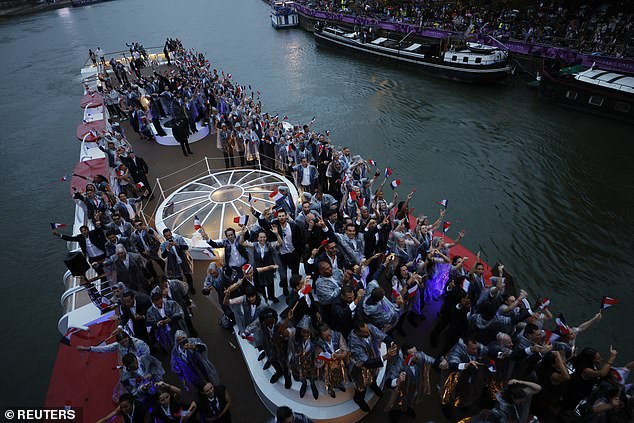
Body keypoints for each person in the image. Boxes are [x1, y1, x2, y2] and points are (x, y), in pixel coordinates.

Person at [386, 343, 448, 422]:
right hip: (401, 392)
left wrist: (440, 363)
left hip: (415, 387)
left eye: (416, 352)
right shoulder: (398, 364)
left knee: (412, 401)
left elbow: (431, 360)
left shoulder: (419, 356)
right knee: (398, 405)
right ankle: (395, 415)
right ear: (405, 356)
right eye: (413, 354)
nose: (416, 355)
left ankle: (408, 409)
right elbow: (388, 382)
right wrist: (397, 380)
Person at [348, 320, 398, 412]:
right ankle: (359, 399)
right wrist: (386, 356)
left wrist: (391, 342)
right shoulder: (353, 343)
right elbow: (366, 363)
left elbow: (379, 334)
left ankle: (373, 385)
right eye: (365, 332)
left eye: (368, 330)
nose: (369, 332)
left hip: (374, 359)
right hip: (360, 368)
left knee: (374, 375)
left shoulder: (368, 328)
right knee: (361, 387)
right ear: (358, 332)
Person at [239, 225, 281, 303]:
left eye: (264, 237)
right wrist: (242, 234)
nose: (262, 239)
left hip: (269, 269)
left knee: (270, 285)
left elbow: (279, 242)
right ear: (258, 238)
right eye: (261, 237)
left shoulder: (269, 244)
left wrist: (277, 234)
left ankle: (271, 297)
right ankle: (264, 299)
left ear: (266, 238)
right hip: (258, 270)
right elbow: (241, 242)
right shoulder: (254, 245)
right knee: (261, 286)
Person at [146, 287, 187, 353]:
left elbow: (180, 313)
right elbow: (149, 324)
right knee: (172, 349)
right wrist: (158, 324)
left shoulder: (171, 303)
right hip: (164, 333)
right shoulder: (150, 311)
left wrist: (170, 319)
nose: (159, 305)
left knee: (184, 345)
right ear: (153, 302)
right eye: (157, 304)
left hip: (176, 328)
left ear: (162, 298)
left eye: (160, 303)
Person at [315, 324, 349, 398]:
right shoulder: (318, 342)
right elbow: (318, 357)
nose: (329, 337)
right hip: (327, 364)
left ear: (330, 330)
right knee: (328, 377)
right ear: (321, 336)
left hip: (338, 361)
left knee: (339, 374)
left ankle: (339, 384)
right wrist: (325, 359)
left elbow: (345, 349)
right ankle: (330, 388)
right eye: (326, 337)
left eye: (329, 335)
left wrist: (340, 356)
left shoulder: (338, 335)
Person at [160, 229, 195, 294]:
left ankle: (191, 287)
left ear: (171, 234)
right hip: (174, 264)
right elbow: (163, 256)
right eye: (167, 236)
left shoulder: (178, 239)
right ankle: (183, 290)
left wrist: (177, 245)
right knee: (179, 278)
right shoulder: (163, 245)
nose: (169, 237)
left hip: (183, 261)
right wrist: (167, 248)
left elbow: (186, 247)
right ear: (164, 236)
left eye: (170, 235)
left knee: (188, 275)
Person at [77, 330, 150, 359]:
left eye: (125, 341)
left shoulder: (139, 343)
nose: (124, 344)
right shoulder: (117, 345)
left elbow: (147, 354)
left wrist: (137, 360)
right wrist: (87, 348)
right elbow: (103, 348)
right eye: (122, 343)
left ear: (128, 337)